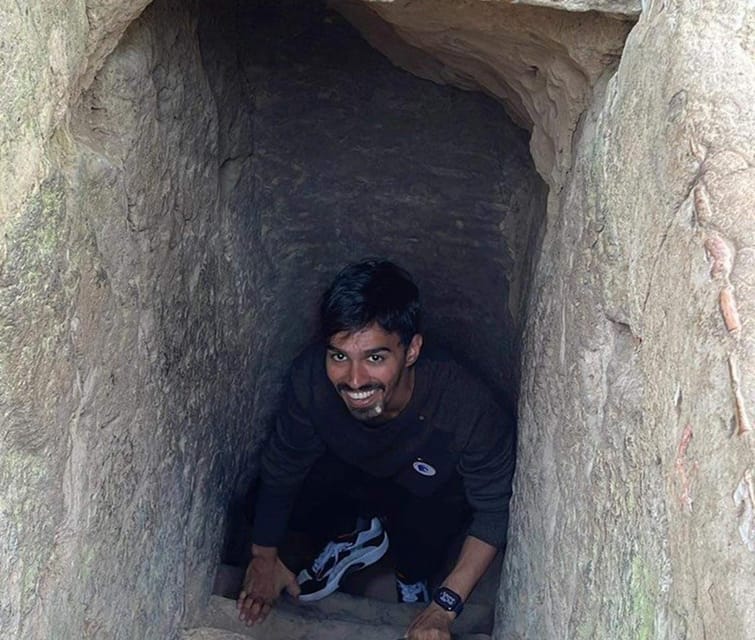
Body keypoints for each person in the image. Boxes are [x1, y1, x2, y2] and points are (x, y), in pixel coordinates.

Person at [237, 259, 516, 640]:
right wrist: (263, 558)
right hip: (352, 470)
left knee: (428, 528)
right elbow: (283, 464)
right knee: (261, 503)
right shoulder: (311, 381)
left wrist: (445, 606)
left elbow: (495, 507)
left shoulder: (463, 404)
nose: (354, 380)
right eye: (339, 356)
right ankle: (356, 534)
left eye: (375, 357)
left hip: (426, 493)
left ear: (412, 350)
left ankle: (411, 574)